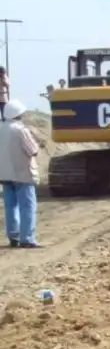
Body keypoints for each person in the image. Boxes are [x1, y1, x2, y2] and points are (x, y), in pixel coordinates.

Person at [0, 100, 41, 248]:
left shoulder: (1, 129)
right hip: (22, 174)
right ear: (18, 114)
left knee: (10, 206)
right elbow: (33, 151)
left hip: (4, 174)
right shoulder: (20, 130)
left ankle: (13, 237)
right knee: (27, 206)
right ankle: (27, 238)